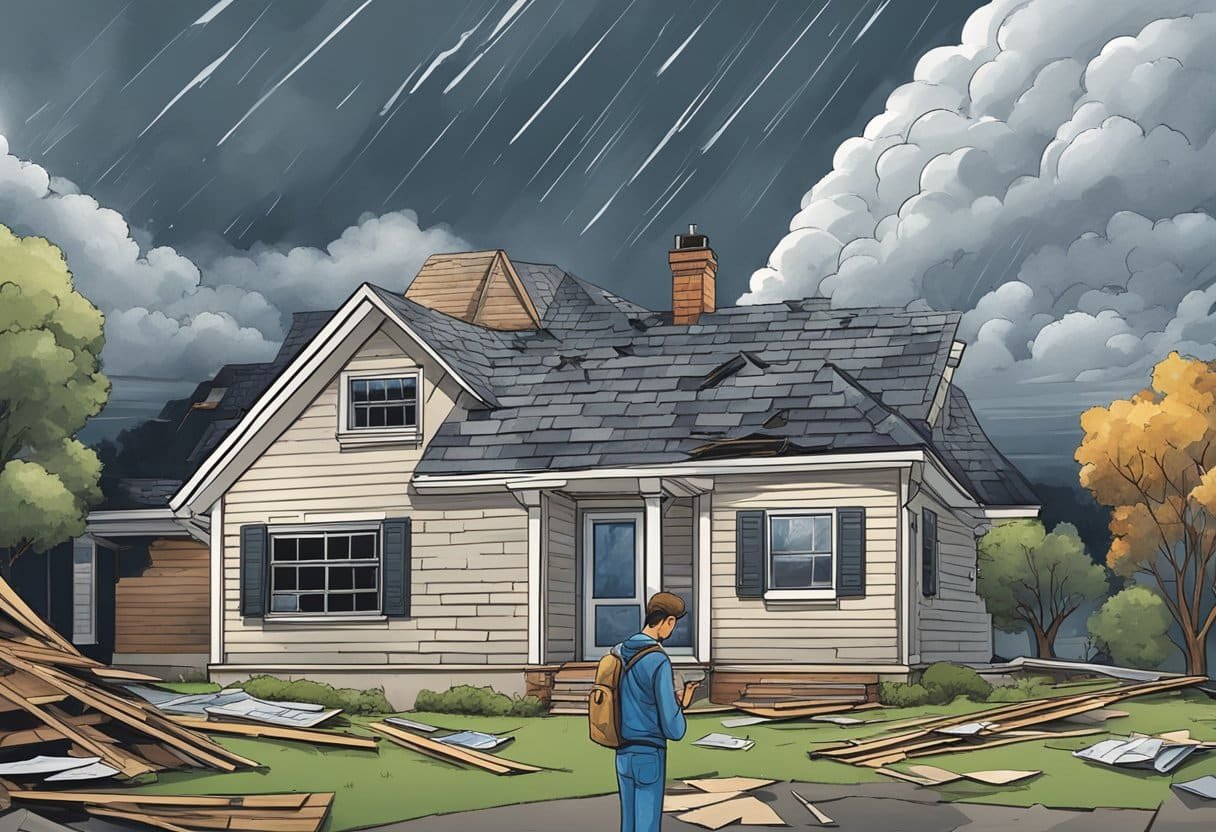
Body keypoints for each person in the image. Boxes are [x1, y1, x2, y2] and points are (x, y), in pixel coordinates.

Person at [615, 592, 697, 832]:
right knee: (646, 826)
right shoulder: (658, 660)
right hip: (649, 754)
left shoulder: (620, 651)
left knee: (628, 825)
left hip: (623, 751)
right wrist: (680, 709)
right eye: (674, 624)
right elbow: (673, 728)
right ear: (668, 621)